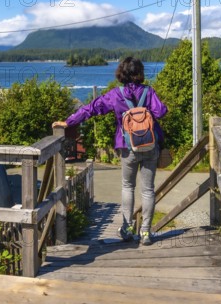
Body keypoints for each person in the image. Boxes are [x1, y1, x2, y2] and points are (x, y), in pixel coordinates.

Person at [53, 57, 167, 245]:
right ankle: (146, 232)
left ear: (121, 73)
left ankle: (127, 228)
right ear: (140, 72)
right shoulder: (148, 91)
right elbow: (161, 111)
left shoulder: (115, 94)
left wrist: (68, 122)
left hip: (127, 147)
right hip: (150, 145)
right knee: (148, 190)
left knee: (128, 186)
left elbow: (91, 109)